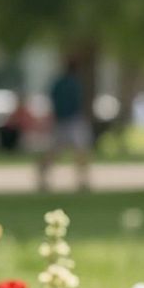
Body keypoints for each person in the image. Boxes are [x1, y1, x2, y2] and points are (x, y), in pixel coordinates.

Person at [37, 55, 91, 192]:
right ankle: (82, 181)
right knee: (80, 151)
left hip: (61, 120)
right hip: (72, 120)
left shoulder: (59, 83)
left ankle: (43, 178)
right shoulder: (74, 83)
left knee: (54, 151)